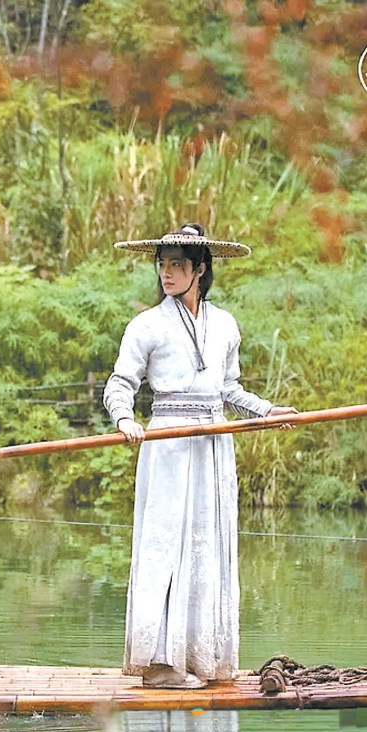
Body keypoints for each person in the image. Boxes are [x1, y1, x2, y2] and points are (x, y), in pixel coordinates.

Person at [103, 223, 297, 689]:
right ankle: (159, 665)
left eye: (177, 264)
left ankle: (200, 658)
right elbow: (120, 383)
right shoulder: (146, 325)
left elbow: (228, 389)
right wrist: (125, 418)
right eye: (162, 264)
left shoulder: (225, 324)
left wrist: (266, 411)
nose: (166, 273)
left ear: (200, 269)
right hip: (168, 444)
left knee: (206, 545)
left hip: (213, 444)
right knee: (164, 544)